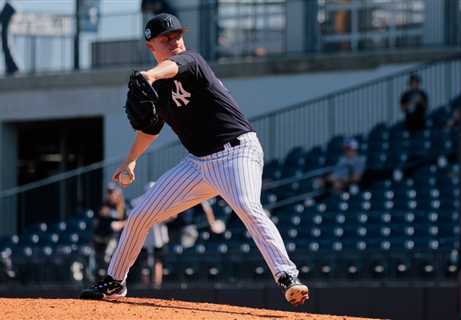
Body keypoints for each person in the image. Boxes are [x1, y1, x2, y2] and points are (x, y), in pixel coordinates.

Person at [80, 13, 308, 305]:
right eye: (167, 39)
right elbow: (150, 129)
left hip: (237, 152)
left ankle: (288, 276)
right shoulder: (158, 88)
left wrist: (148, 75)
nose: (175, 41)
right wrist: (131, 161)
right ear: (152, 46)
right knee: (139, 215)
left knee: (247, 206)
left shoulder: (192, 61)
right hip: (198, 163)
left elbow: (173, 66)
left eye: (178, 35)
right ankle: (115, 281)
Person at [91, 183, 126, 279]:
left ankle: (111, 280)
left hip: (113, 238)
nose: (110, 194)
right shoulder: (103, 204)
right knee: (99, 261)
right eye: (109, 192)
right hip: (100, 237)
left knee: (108, 258)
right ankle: (100, 281)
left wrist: (120, 224)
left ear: (117, 193)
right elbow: (96, 220)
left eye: (112, 192)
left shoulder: (121, 206)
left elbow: (128, 221)